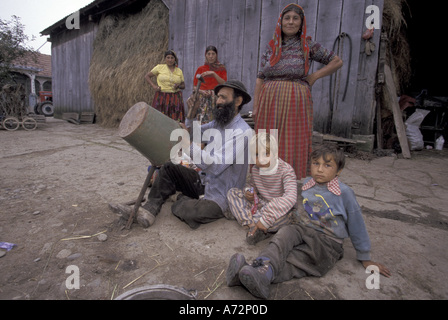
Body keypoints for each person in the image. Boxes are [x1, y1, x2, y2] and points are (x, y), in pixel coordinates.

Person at [226, 144, 391, 299]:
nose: (319, 169)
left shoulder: (345, 193)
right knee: (283, 237)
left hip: (327, 242)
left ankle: (256, 275)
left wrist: (365, 257)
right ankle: (258, 268)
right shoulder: (307, 184)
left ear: (339, 170)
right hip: (303, 229)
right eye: (315, 163)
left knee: (298, 260)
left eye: (327, 165)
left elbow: (357, 224)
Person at [112, 80, 253, 230]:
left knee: (190, 212)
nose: (218, 101)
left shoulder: (243, 132)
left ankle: (178, 197)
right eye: (218, 97)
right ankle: (149, 210)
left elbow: (216, 165)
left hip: (223, 196)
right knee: (168, 167)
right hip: (205, 183)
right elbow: (194, 133)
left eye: (223, 97)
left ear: (238, 101)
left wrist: (187, 143)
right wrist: (191, 112)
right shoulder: (218, 123)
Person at [253, 4, 343, 180]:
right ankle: (266, 178)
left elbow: (337, 61)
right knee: (267, 139)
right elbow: (260, 77)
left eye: (295, 18)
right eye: (287, 18)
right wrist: (255, 107)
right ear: (281, 21)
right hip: (269, 100)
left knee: (291, 141)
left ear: (301, 23)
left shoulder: (308, 46)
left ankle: (287, 179)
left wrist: (314, 76)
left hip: (295, 100)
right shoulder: (272, 47)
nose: (291, 22)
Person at [227, 132, 297, 245]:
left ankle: (253, 222)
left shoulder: (286, 170)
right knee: (232, 193)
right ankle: (252, 225)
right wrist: (248, 192)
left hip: (279, 209)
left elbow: (291, 197)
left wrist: (266, 219)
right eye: (256, 155)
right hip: (261, 204)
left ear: (275, 154)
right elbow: (251, 186)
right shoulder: (256, 169)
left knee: (284, 219)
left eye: (266, 154)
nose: (261, 159)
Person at [187, 45, 228, 124]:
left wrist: (213, 74)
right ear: (205, 55)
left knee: (215, 118)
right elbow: (195, 87)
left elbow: (224, 83)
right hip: (202, 96)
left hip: (215, 96)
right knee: (199, 117)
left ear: (216, 55)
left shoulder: (221, 68)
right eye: (209, 54)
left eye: (213, 54)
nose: (211, 56)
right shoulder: (201, 69)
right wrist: (201, 91)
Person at [145, 50, 186, 122]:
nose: (170, 60)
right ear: (165, 59)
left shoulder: (179, 71)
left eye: (172, 58)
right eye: (168, 57)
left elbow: (183, 85)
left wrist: (178, 86)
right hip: (161, 96)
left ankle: (174, 132)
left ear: (175, 59)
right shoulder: (159, 67)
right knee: (160, 118)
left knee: (175, 119)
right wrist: (154, 86)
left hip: (175, 97)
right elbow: (147, 76)